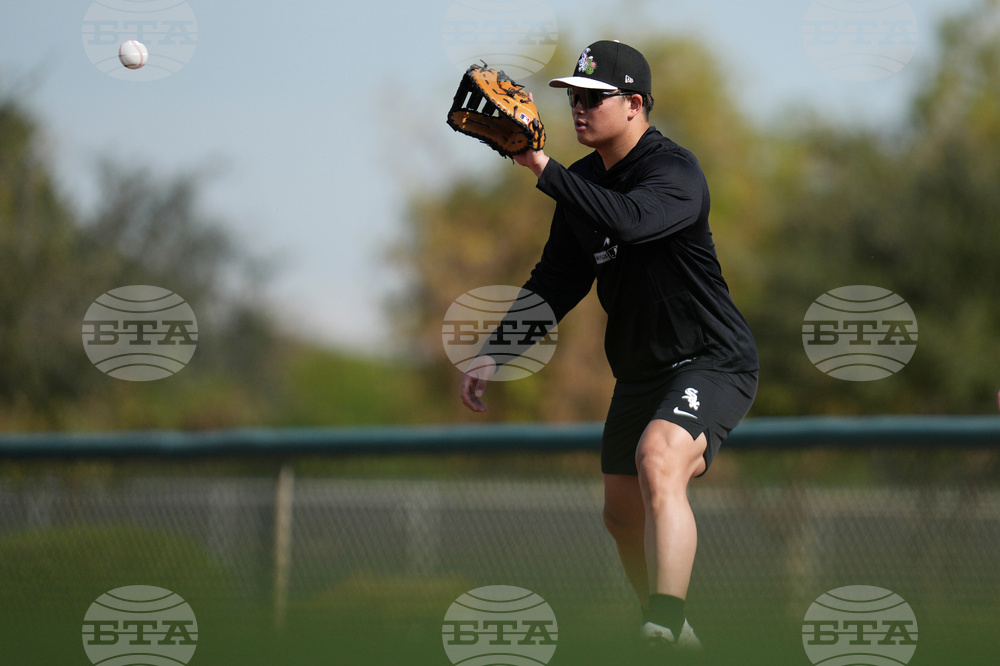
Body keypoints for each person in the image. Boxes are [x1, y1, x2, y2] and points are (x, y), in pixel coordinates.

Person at [459, 40, 759, 652]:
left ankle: (664, 623)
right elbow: (556, 280)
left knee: (659, 458)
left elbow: (630, 221)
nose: (579, 107)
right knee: (621, 516)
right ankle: (677, 632)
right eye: (574, 95)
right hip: (641, 371)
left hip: (712, 358)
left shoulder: (673, 171)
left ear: (635, 105)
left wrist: (544, 169)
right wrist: (497, 350)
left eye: (595, 97)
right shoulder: (582, 184)